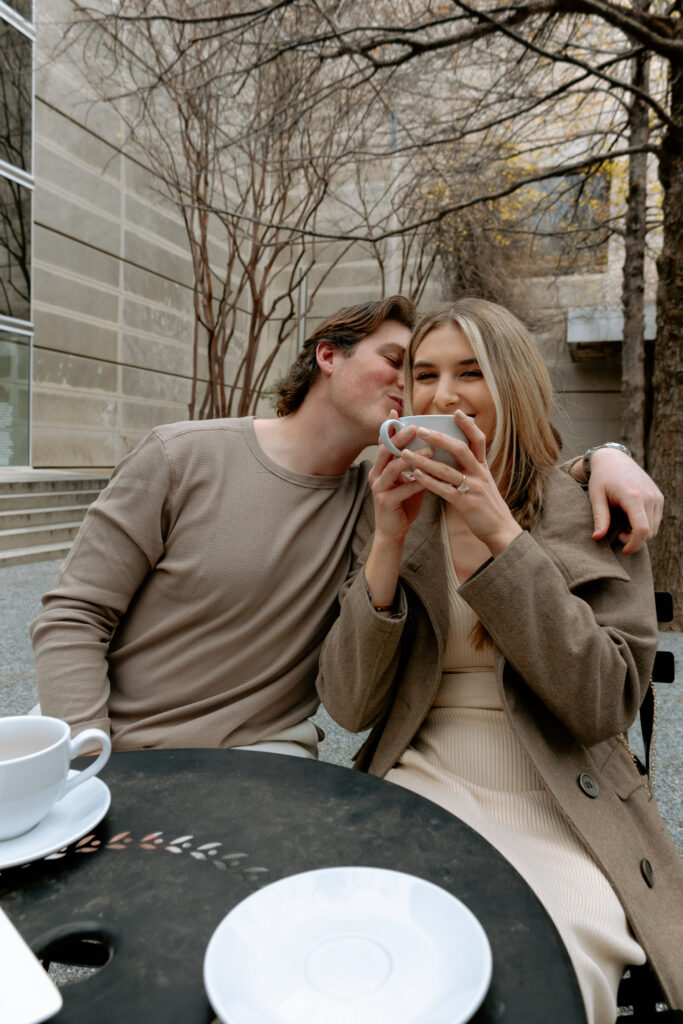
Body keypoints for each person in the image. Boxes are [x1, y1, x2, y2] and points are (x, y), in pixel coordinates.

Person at [32, 295, 662, 761]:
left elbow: (523, 478)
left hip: (268, 757)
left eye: (463, 373)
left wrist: (603, 457)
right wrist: (90, 761)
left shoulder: (379, 503)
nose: (426, 392)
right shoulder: (180, 457)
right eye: (406, 364)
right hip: (116, 746)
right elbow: (72, 616)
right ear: (327, 356)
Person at [316, 298, 682, 1023]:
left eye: (468, 371)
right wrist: (386, 541)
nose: (442, 395)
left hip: (563, 800)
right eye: (424, 374)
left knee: (538, 974)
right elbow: (349, 705)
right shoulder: (395, 506)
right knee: (365, 964)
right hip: (423, 781)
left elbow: (602, 704)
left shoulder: (593, 507)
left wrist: (500, 534)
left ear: (511, 384)